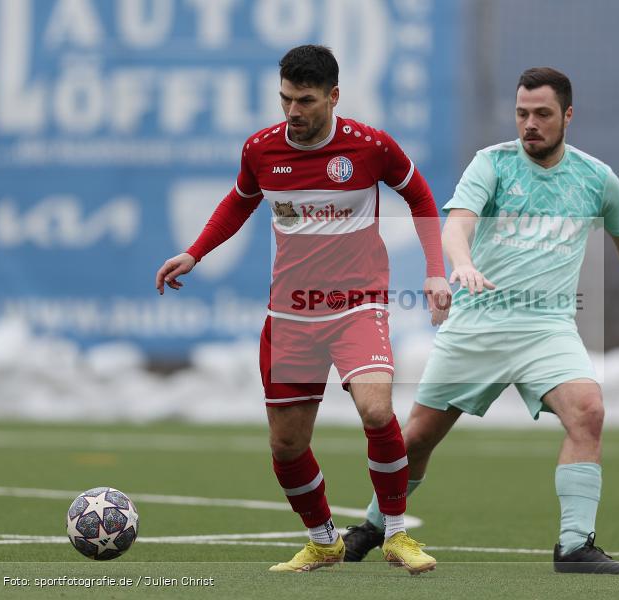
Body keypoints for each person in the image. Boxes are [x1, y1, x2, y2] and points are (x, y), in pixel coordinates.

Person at [343, 67, 619, 574]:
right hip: (478, 323)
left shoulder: (597, 179)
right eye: (521, 113)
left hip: (547, 329)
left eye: (542, 114)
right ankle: (374, 525)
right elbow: (458, 226)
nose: (530, 124)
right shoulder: (491, 164)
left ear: (568, 116)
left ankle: (575, 545)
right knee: (419, 437)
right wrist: (463, 264)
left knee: (588, 412)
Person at [154, 45, 451, 575]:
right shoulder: (261, 149)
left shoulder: (370, 146)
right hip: (291, 316)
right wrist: (193, 252)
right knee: (287, 445)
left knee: (378, 412)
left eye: (306, 100)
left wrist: (434, 271)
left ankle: (397, 535)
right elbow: (239, 200)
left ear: (333, 96)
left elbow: (422, 198)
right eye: (285, 98)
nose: (293, 111)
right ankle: (322, 541)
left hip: (357, 306)